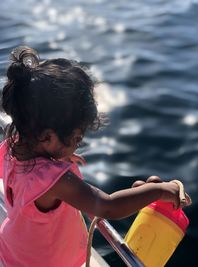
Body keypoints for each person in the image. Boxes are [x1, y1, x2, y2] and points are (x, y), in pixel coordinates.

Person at [0, 46, 181, 267]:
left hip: (15, 249)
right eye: (76, 139)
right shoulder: (52, 181)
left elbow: (28, 181)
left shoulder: (12, 147)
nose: (78, 144)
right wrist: (157, 191)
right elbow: (107, 207)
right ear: (47, 137)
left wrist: (58, 156)